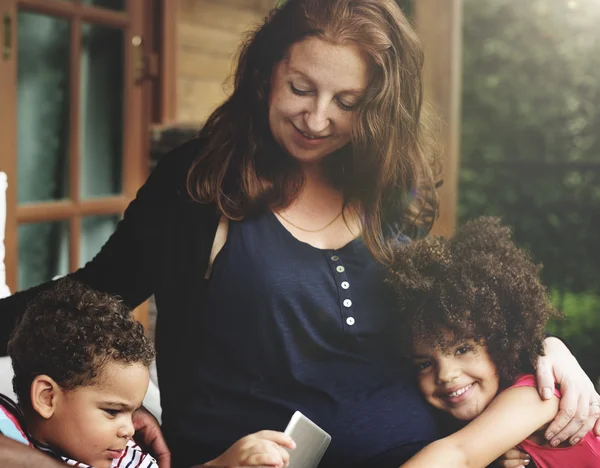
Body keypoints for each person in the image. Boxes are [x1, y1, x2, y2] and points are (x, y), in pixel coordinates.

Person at [0, 1, 598, 467]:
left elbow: (454, 313)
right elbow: (93, 292)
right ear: (266, 76)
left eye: (348, 101)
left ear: (381, 107)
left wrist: (545, 348)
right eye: (300, 89)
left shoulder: (396, 190)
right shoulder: (200, 184)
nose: (317, 120)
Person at [385, 217, 600, 467]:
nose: (445, 375)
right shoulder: (484, 424)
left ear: (500, 342)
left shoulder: (538, 393)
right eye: (424, 364)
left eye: (463, 349)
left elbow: (460, 455)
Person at [0, 279, 159, 468]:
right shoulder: (6, 426)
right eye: (112, 411)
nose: (130, 430)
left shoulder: (129, 462)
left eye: (133, 412)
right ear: (47, 397)